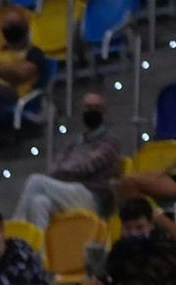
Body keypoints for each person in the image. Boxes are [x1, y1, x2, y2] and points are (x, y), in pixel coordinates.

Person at [13, 92, 119, 228]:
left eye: (96, 108)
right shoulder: (74, 143)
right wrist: (70, 168)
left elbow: (87, 167)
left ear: (104, 112)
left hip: (92, 196)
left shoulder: (110, 142)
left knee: (36, 181)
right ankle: (38, 247)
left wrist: (66, 169)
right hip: (67, 192)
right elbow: (54, 168)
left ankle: (14, 233)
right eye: (88, 107)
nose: (91, 111)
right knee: (38, 202)